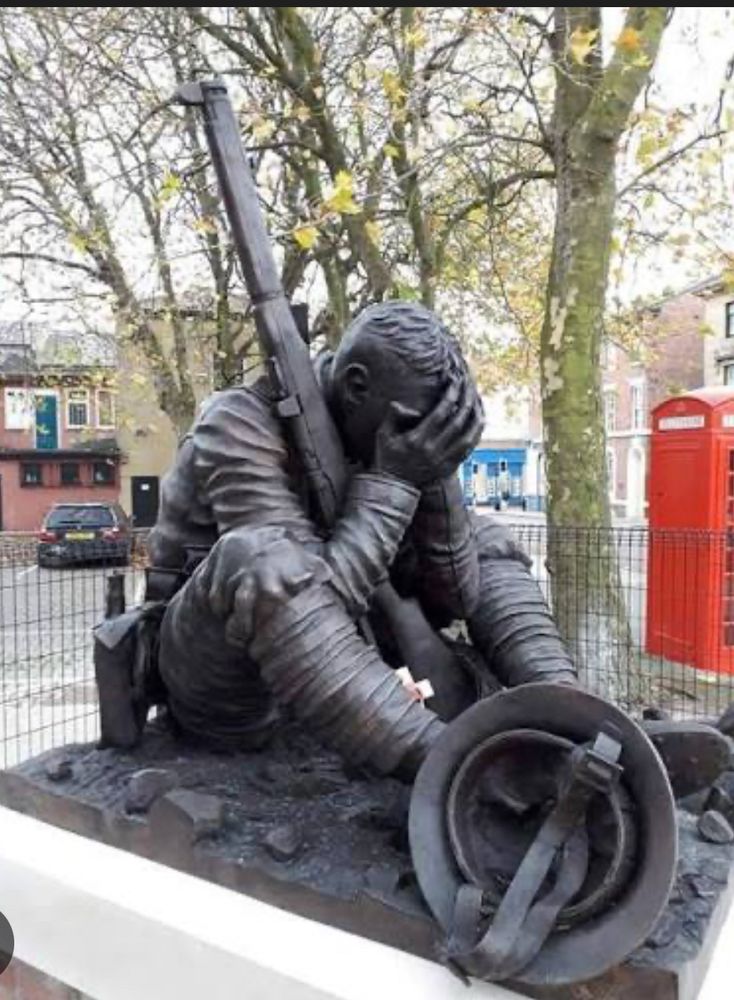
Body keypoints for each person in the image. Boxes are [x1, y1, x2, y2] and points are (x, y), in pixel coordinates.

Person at [147, 301, 575, 779]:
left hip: (348, 669)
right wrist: (393, 483)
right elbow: (301, 597)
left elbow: (456, 597)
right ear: (355, 387)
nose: (423, 437)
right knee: (263, 562)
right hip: (225, 683)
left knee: (487, 538)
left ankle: (576, 718)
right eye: (416, 422)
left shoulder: (387, 424)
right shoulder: (237, 424)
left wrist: (439, 472)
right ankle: (462, 773)